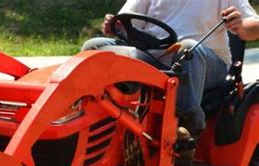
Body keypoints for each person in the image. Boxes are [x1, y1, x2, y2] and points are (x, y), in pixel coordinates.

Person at [82, 0, 259, 136]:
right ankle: (91, 114)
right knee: (95, 46)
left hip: (208, 63)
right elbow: (127, 23)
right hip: (154, 59)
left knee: (188, 49)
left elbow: (255, 26)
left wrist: (240, 25)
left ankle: (187, 129)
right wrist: (113, 26)